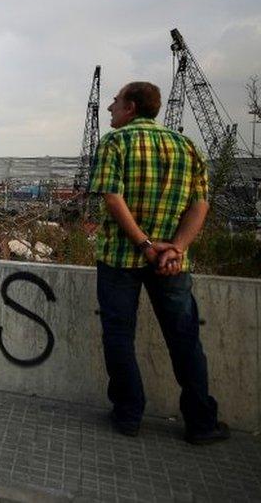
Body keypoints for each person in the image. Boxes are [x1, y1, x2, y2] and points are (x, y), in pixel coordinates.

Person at [89, 81, 228, 444]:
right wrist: (176, 248)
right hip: (171, 263)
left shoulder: (115, 142)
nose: (110, 109)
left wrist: (145, 245)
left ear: (131, 107)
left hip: (121, 257)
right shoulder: (186, 146)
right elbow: (200, 204)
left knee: (119, 335)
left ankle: (128, 415)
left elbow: (112, 198)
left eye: (115, 102)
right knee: (184, 339)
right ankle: (201, 422)